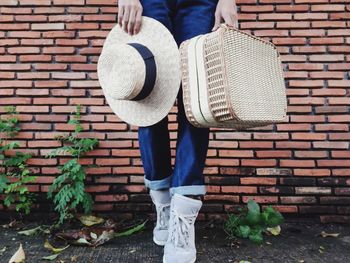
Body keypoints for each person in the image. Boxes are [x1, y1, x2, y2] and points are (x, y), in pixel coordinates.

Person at [117, 0, 238, 262]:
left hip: (199, 3)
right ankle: (164, 205)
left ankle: (183, 220)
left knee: (196, 100)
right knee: (149, 92)